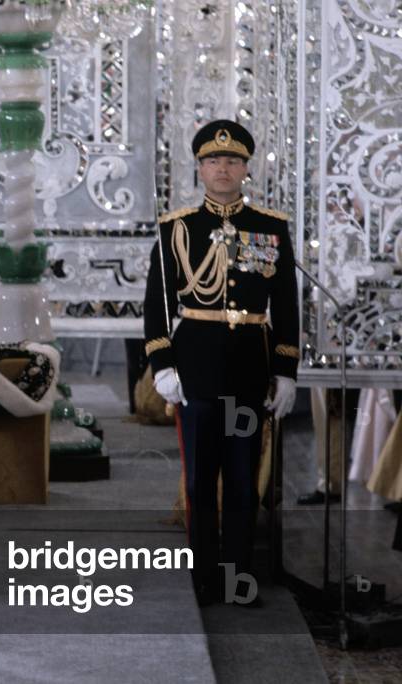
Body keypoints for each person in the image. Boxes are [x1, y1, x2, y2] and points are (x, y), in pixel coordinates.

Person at [143, 120, 300, 606]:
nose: (223, 168)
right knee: (198, 479)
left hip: (250, 366)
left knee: (241, 480)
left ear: (246, 168)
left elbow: (287, 304)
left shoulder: (270, 228)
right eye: (214, 160)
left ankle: (240, 579)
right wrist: (163, 365)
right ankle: (204, 579)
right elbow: (156, 304)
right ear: (200, 167)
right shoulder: (176, 228)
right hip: (196, 368)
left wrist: (286, 371)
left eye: (232, 161)